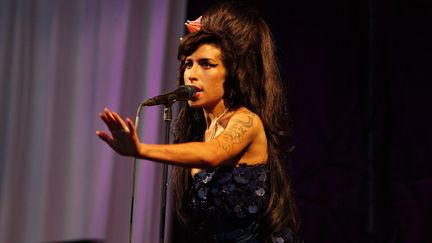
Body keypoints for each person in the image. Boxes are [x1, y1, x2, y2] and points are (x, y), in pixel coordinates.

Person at [96, 1, 303, 242]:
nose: (192, 73)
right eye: (188, 64)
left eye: (207, 64)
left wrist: (140, 150)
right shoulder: (201, 132)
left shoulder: (246, 121)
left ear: (232, 73)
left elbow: (213, 154)